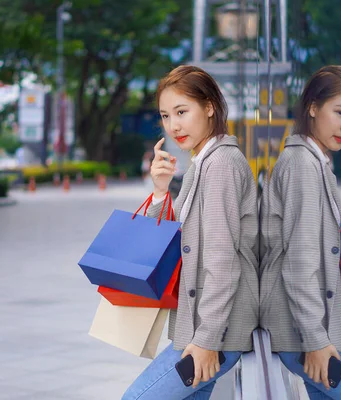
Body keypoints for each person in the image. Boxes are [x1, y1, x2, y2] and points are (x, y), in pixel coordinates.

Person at [122, 65, 259, 399]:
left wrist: (207, 340)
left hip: (214, 334)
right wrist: (159, 191)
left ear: (209, 107)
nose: (174, 126)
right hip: (202, 328)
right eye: (166, 116)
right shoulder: (202, 163)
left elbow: (223, 261)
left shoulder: (221, 165)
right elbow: (167, 238)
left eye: (182, 112)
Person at [259, 65, 341, 399]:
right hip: (305, 335)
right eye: (339, 112)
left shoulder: (318, 163)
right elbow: (299, 261)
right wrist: (316, 342)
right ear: (313, 107)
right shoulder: (303, 165)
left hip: (315, 330)